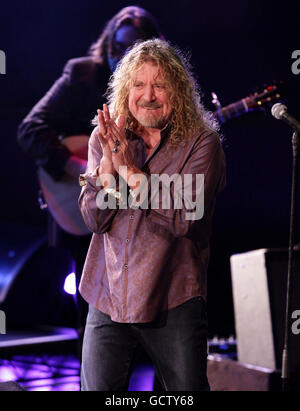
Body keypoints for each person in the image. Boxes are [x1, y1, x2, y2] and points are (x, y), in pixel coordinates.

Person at [78, 39, 226, 391]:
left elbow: (184, 217)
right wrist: (110, 178)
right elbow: (94, 220)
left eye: (159, 85)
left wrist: (128, 171)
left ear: (177, 91)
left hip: (172, 296)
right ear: (126, 90)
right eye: (139, 85)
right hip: (108, 293)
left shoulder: (202, 143)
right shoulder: (105, 137)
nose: (149, 95)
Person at [17, 7, 163, 346]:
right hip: (87, 207)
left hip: (140, 212)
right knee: (96, 310)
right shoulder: (82, 74)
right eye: (118, 46)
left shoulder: (159, 89)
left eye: (134, 48)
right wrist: (77, 167)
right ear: (108, 45)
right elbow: (30, 129)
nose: (123, 56)